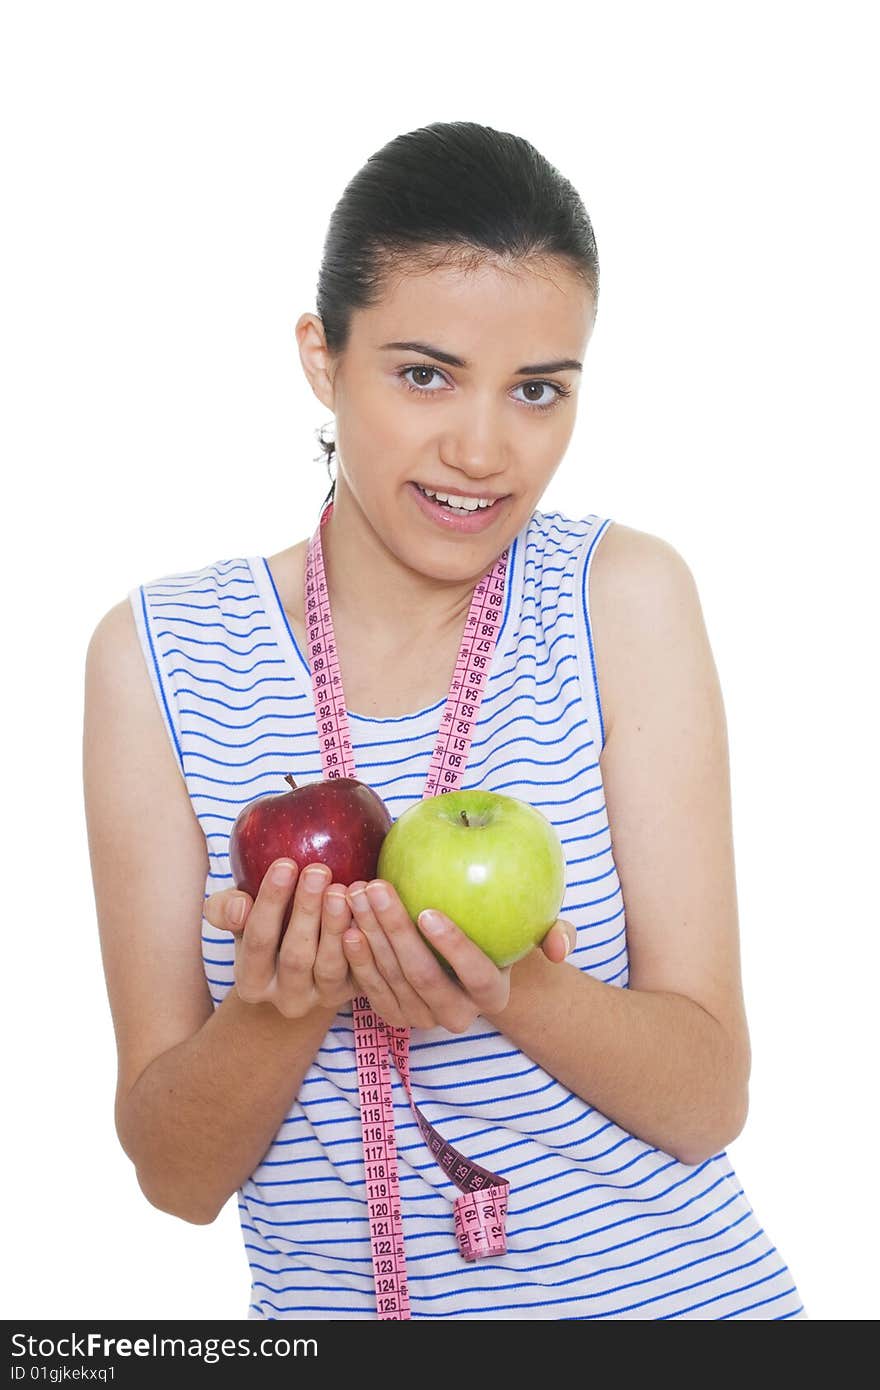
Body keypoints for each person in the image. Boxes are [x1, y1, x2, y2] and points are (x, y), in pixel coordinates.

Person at [82, 120, 807, 1320]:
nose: (483, 449)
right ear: (323, 357)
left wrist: (510, 990)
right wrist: (281, 1005)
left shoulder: (619, 600)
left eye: (537, 390)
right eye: (424, 373)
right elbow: (176, 1175)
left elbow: (707, 1096)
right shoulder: (159, 657)